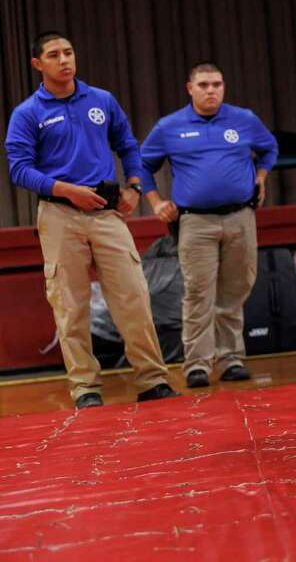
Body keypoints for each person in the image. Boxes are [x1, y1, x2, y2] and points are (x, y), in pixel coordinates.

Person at [4, 33, 178, 408]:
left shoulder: (101, 100)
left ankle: (152, 380)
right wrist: (66, 189)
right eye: (54, 55)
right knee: (70, 305)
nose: (64, 60)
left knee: (133, 296)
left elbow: (129, 145)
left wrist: (134, 186)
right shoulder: (28, 113)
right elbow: (19, 170)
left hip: (107, 214)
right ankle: (85, 388)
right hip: (59, 215)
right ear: (38, 64)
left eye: (68, 52)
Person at [140, 63, 278, 389]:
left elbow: (269, 148)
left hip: (241, 217)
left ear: (224, 86)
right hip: (195, 221)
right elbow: (142, 165)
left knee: (234, 290)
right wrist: (156, 202)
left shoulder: (243, 119)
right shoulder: (169, 126)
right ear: (190, 88)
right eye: (203, 85)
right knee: (198, 293)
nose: (211, 90)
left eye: (216, 84)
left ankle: (231, 359)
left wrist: (261, 176)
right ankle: (197, 365)